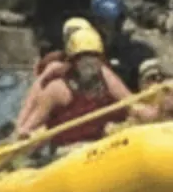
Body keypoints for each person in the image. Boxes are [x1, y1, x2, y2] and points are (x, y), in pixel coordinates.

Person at [14, 24, 134, 155]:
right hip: (66, 151)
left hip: (99, 145)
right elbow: (31, 125)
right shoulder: (57, 89)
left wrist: (151, 110)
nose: (90, 63)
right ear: (74, 61)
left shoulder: (105, 76)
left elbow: (133, 103)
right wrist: (25, 134)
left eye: (94, 57)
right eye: (84, 58)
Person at [87, 0, 160, 94]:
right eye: (101, 22)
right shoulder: (88, 53)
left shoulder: (140, 53)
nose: (104, 28)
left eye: (117, 21)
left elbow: (153, 87)